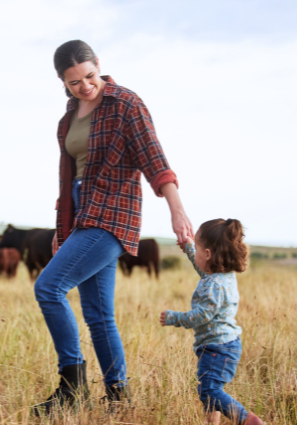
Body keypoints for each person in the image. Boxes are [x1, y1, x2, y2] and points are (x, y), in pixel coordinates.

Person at [32, 40, 194, 415]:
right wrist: (63, 227)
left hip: (112, 215)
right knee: (98, 314)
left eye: (89, 77)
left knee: (48, 288)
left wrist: (177, 210)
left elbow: (154, 159)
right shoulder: (68, 117)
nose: (85, 86)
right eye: (74, 82)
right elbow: (68, 178)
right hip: (82, 216)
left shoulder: (126, 104)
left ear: (98, 65)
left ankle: (72, 389)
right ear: (63, 82)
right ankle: (120, 400)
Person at [160, 219, 263, 425]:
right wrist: (189, 247)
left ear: (207, 254)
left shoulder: (213, 285)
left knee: (208, 390)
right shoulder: (222, 276)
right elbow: (202, 268)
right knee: (211, 391)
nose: (195, 252)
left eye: (198, 249)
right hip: (223, 345)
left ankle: (246, 420)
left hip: (217, 347)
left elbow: (201, 316)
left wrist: (174, 318)